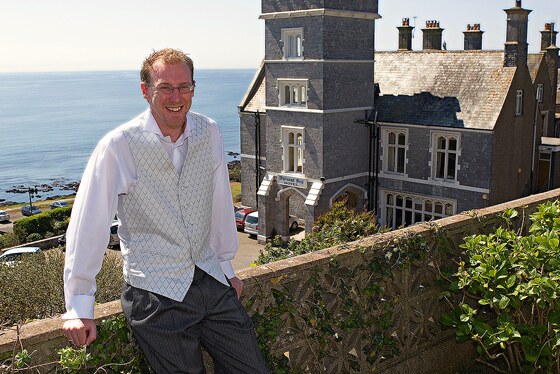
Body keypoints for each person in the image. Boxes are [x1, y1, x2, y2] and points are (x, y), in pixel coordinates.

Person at [62, 48, 268, 373]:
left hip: (211, 281)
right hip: (155, 294)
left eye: (184, 87)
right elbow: (90, 222)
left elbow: (217, 201)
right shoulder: (118, 145)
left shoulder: (209, 131)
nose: (176, 96)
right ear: (145, 90)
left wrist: (226, 265)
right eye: (165, 88)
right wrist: (79, 303)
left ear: (193, 88)